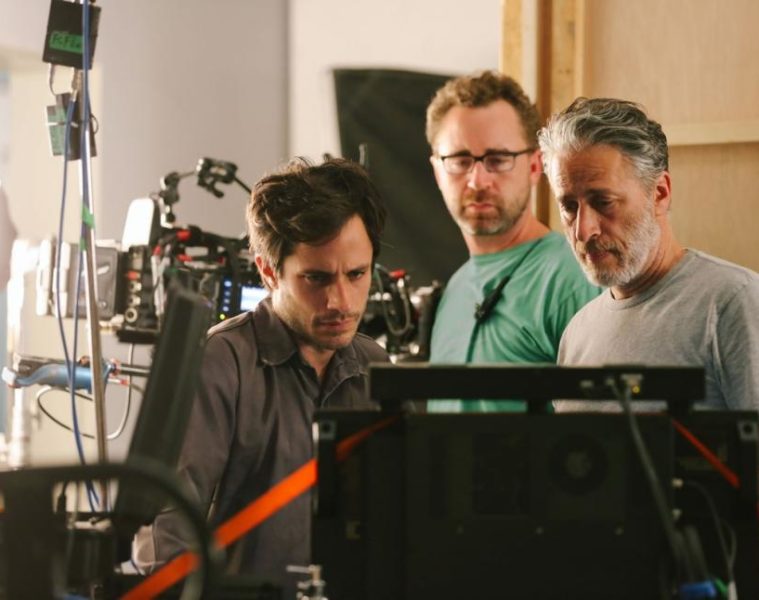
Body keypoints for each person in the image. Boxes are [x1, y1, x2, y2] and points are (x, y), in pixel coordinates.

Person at [139, 157, 388, 589]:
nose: (341, 302)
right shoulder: (219, 364)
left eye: (356, 274)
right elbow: (166, 537)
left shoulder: (375, 368)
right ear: (268, 271)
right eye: (316, 278)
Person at [538, 97, 759, 410]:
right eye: (569, 207)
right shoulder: (576, 333)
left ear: (660, 193)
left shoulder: (735, 303)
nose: (583, 231)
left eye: (603, 202)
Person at [424, 70, 600, 412]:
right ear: (437, 171)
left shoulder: (571, 278)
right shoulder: (455, 291)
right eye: (460, 161)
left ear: (535, 166)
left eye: (498, 159)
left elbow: (605, 427)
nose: (478, 180)